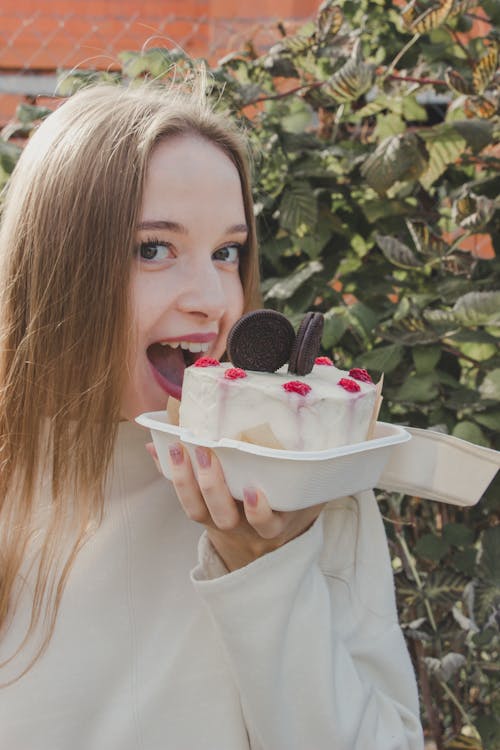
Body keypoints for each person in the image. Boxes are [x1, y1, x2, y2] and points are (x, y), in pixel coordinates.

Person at [0, 80, 424, 749]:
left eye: (227, 253)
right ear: (55, 265)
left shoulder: (303, 487)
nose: (212, 299)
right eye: (153, 248)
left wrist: (265, 566)